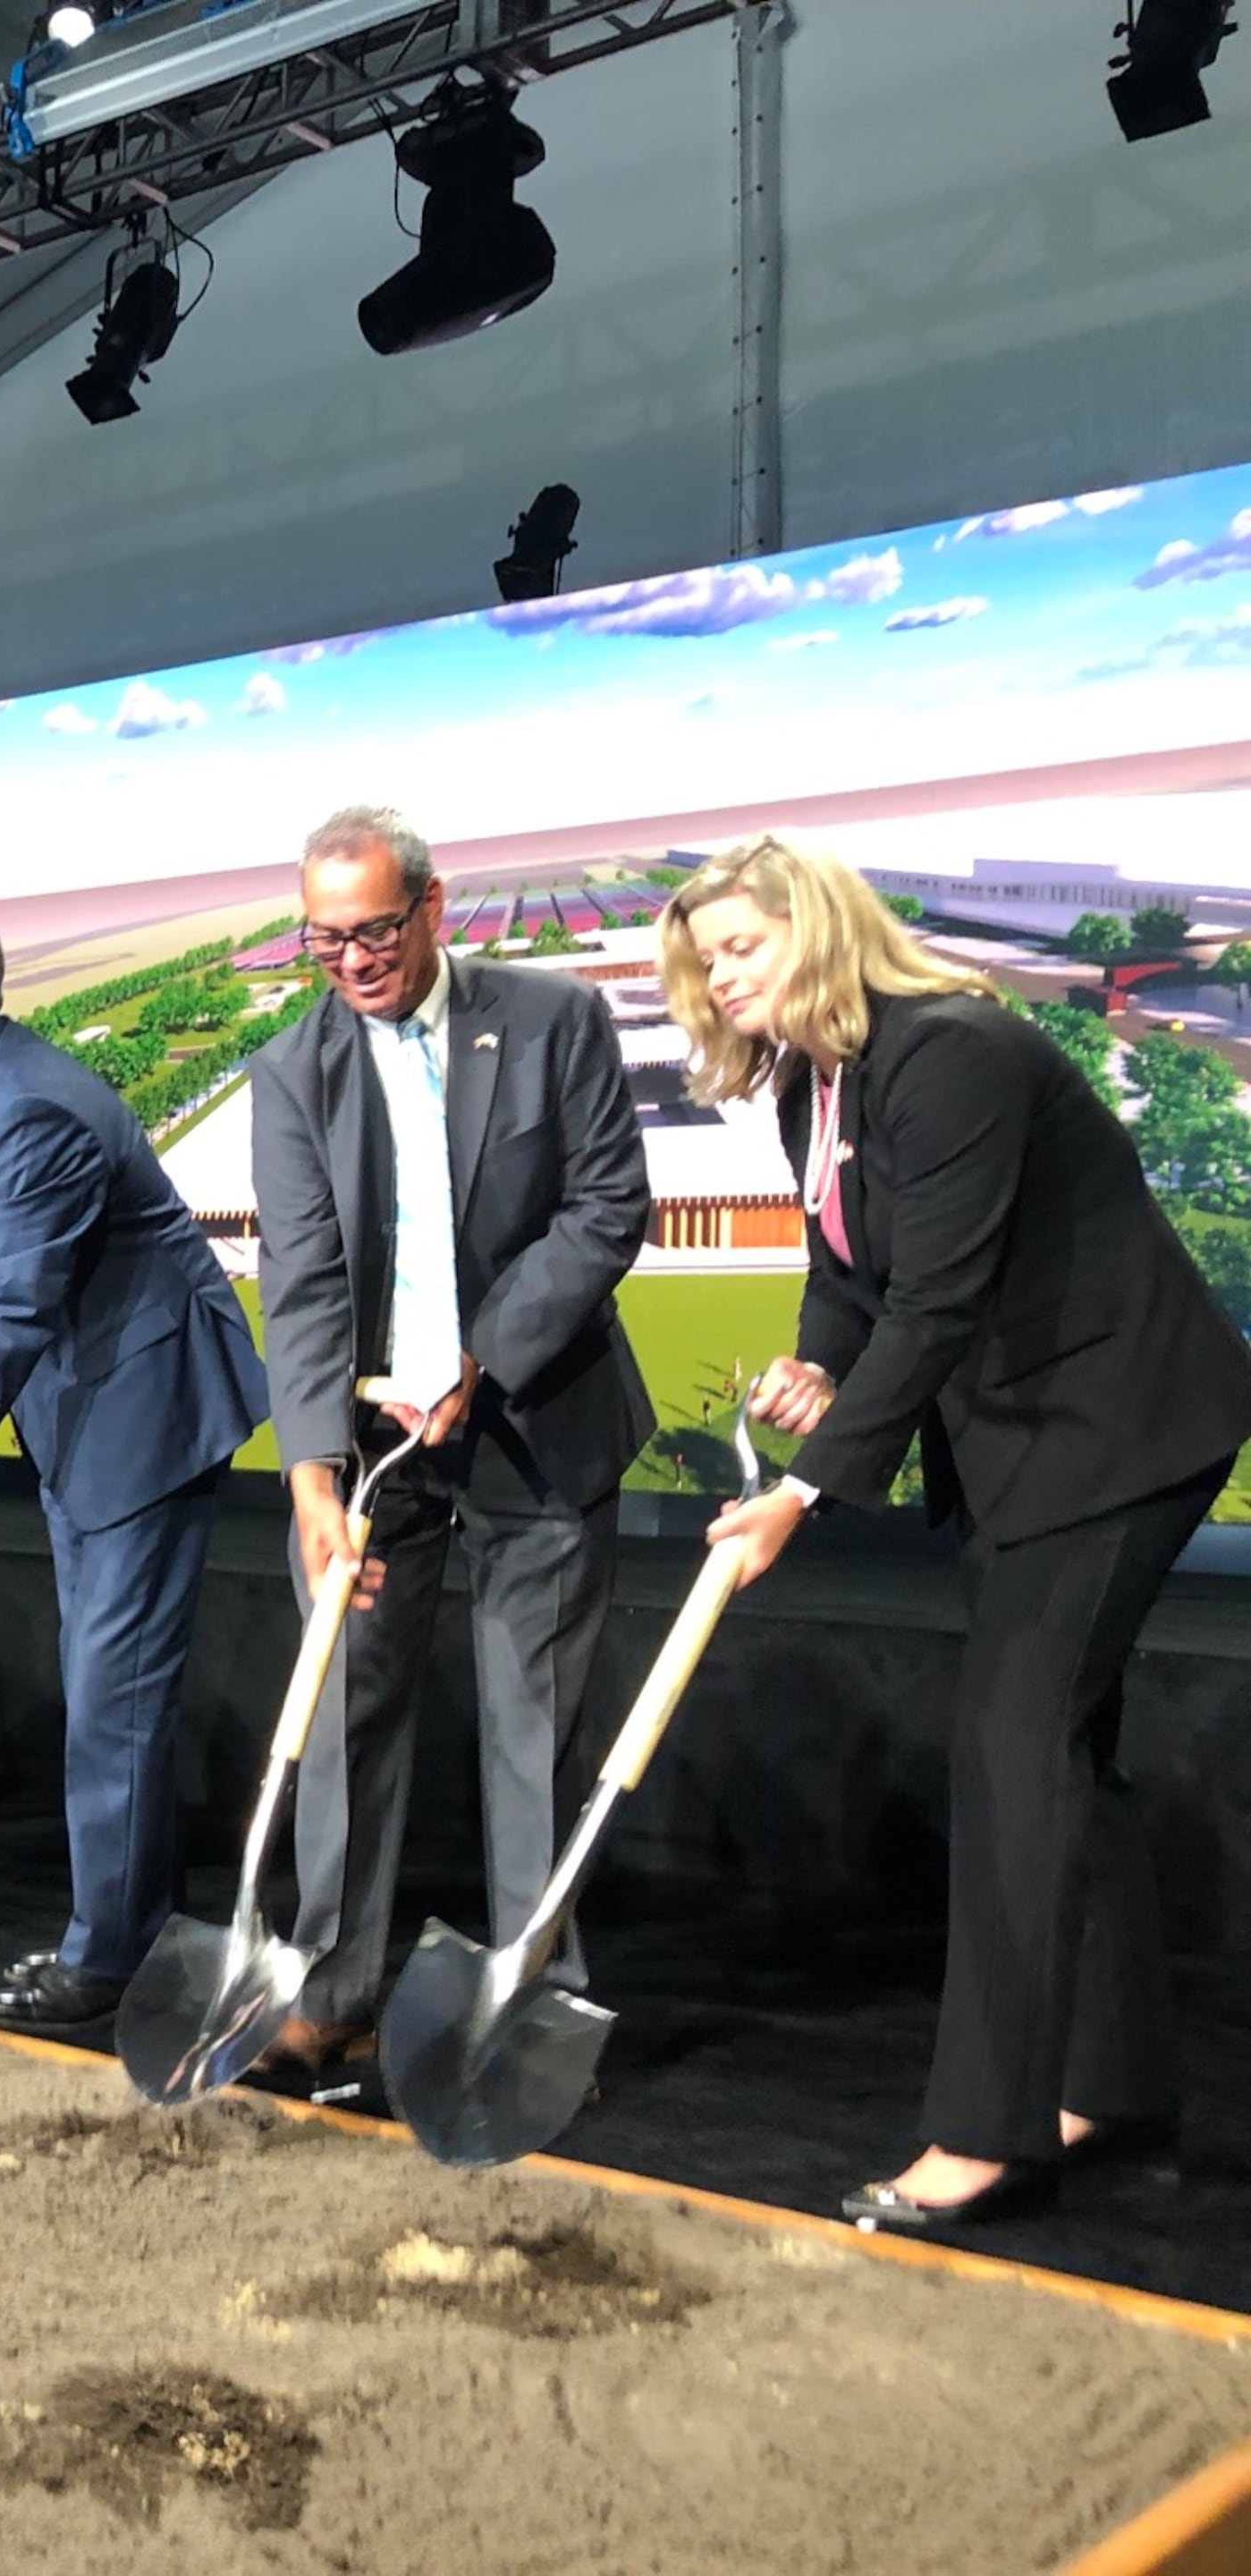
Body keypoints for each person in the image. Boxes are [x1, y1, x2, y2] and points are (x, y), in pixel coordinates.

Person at [671, 835, 1251, 2234]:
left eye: (742, 948)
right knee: (1057, 1755)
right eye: (706, 963)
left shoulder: (952, 1054)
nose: (723, 978)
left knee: (1012, 1748)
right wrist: (816, 1368)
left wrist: (805, 1492)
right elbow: (845, 1271)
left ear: (818, 931)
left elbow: (936, 1301)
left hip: (1120, 1429)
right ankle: (1111, 2078)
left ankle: (987, 2134)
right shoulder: (820, 1077)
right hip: (1028, 1444)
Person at [246, 806, 656, 2080]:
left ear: (432, 908)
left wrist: (486, 1357)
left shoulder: (549, 1019)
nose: (354, 962)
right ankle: (334, 1984)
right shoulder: (290, 1070)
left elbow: (607, 1206)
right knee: (349, 1702)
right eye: (325, 943)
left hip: (534, 1420)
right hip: (375, 1440)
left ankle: (526, 2001)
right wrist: (311, 1479)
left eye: (374, 931)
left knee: (531, 1729)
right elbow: (306, 1278)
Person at [0, 902, 268, 2033]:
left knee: (112, 1692)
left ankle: (112, 1959)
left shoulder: (35, 1107)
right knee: (109, 1685)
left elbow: (23, 1311)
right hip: (79, 1404)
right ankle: (139, 1921)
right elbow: (5, 1255)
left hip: (146, 1403)